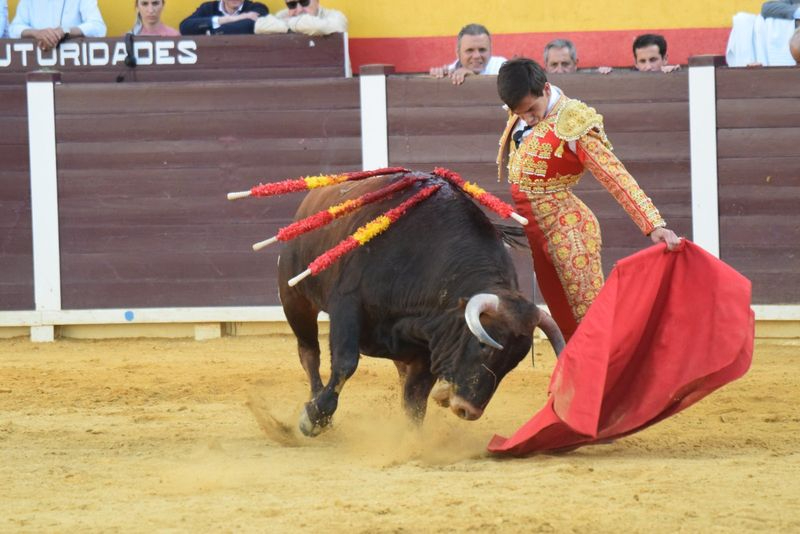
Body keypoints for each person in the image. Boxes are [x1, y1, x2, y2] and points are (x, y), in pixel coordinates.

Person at [495, 58, 680, 340]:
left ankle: (615, 377)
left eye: (532, 110)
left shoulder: (573, 121)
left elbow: (614, 175)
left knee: (591, 318)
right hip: (538, 232)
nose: (528, 119)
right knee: (564, 318)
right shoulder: (524, 110)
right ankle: (581, 381)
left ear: (545, 89)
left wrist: (653, 224)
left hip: (569, 231)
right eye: (520, 114)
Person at [8, 0, 107, 51]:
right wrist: (37, 33)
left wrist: (65, 31)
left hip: (73, 63)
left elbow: (98, 27)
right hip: (38, 61)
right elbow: (13, 29)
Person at [429, 23, 507, 85]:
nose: (476, 56)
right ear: (458, 53)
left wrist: (473, 78)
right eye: (470, 50)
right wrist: (438, 78)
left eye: (482, 50)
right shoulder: (449, 73)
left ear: (490, 51)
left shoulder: (502, 67)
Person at [254, 0, 347, 36]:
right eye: (292, 4)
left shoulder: (335, 16)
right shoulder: (284, 14)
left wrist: (290, 22)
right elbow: (259, 26)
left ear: (317, 1)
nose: (298, 10)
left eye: (304, 2)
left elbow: (319, 27)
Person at [179, 0, 268, 35]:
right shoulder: (208, 8)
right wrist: (230, 19)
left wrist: (211, 32)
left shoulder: (257, 8)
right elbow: (185, 27)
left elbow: (249, 25)